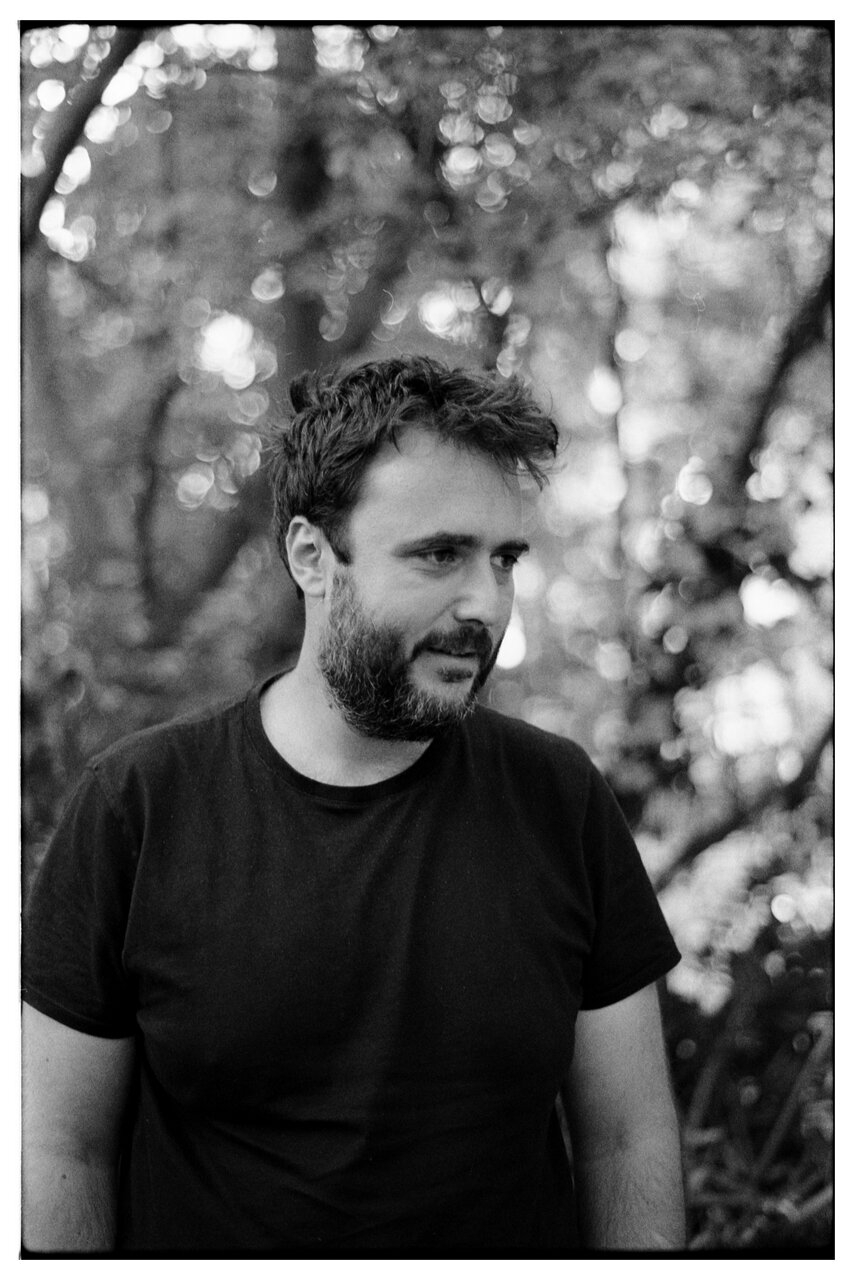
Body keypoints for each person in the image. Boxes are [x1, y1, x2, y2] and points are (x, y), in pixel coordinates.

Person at [22, 355, 686, 1257]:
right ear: (312, 556)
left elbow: (625, 1140)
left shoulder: (560, 799)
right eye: (439, 555)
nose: (486, 605)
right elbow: (61, 1149)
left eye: (503, 560)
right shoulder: (135, 807)